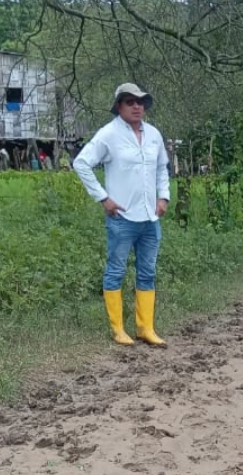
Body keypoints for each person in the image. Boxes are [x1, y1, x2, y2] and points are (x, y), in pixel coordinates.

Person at [73, 81, 170, 347]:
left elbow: (162, 168)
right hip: (122, 218)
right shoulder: (108, 134)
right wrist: (103, 198)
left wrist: (163, 196)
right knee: (116, 270)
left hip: (150, 217)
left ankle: (145, 328)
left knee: (147, 272)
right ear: (119, 106)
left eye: (140, 102)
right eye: (130, 102)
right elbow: (81, 163)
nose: (136, 106)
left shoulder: (153, 135)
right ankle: (118, 329)